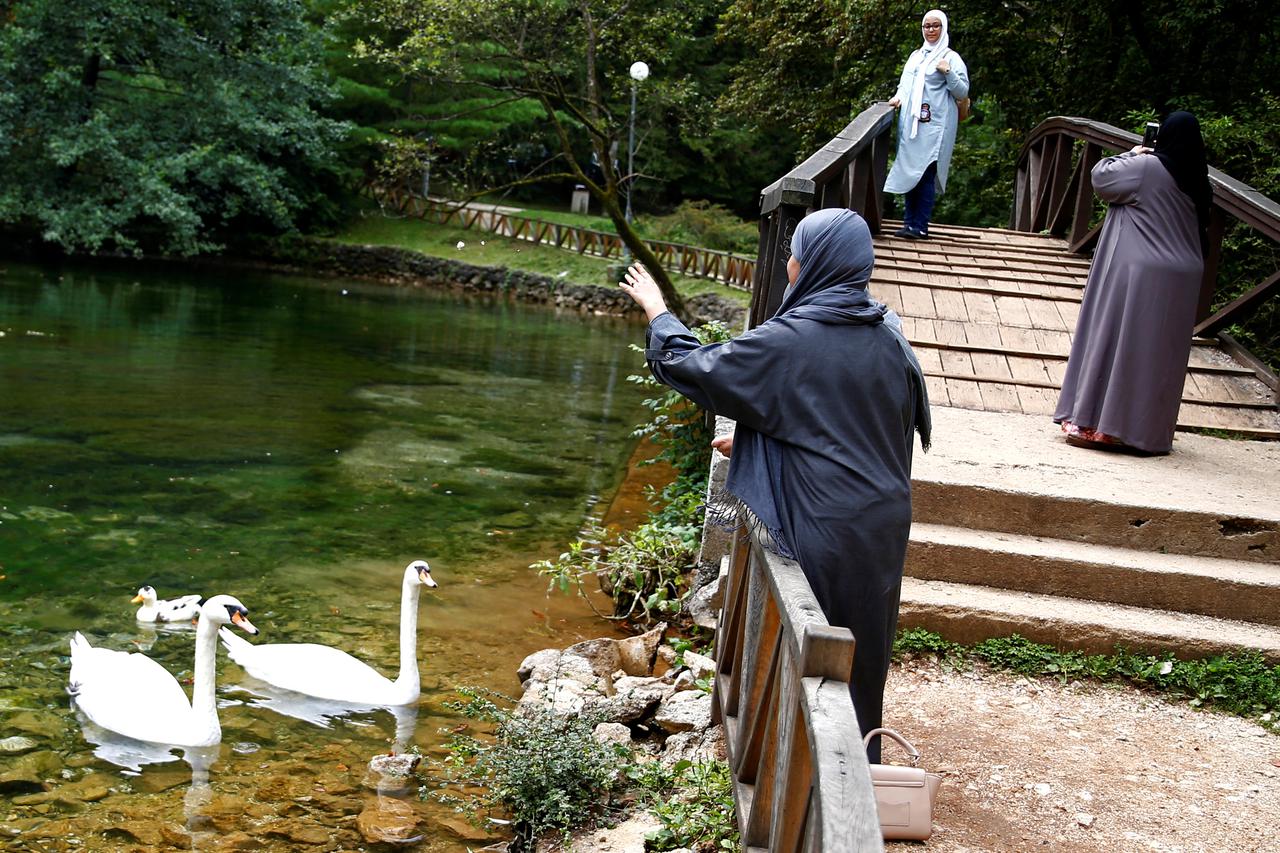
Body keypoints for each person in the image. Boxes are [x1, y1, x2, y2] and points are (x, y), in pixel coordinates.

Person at [618, 208, 931, 761]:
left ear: (811, 265)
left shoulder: (794, 338)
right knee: (862, 646)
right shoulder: (887, 333)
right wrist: (761, 444)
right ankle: (856, 762)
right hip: (883, 515)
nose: (787, 263)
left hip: (825, 516)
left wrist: (658, 311)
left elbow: (694, 367)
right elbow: (855, 422)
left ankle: (813, 784)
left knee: (812, 642)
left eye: (795, 253)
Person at [1053, 111, 1211, 455]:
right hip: (1183, 275)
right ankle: (1149, 435)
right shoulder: (1199, 177)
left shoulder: (1147, 168)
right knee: (1158, 356)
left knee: (1120, 345)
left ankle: (1103, 428)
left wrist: (1134, 152)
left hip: (1140, 272)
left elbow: (1102, 179)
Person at [884, 9, 970, 240]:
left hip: (936, 126)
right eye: (927, 26)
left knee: (926, 173)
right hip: (913, 125)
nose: (931, 30)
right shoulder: (916, 56)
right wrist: (897, 98)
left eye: (935, 26)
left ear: (943, 28)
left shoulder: (950, 57)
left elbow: (962, 91)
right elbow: (905, 85)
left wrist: (948, 72)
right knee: (911, 172)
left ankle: (920, 226)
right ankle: (909, 223)